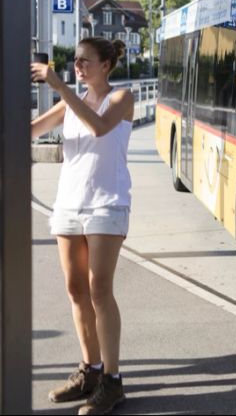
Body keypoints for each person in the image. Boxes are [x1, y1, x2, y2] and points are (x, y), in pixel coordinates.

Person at [31, 38, 133, 415]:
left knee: (99, 290)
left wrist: (59, 86)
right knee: (76, 290)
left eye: (85, 61)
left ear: (106, 65)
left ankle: (112, 380)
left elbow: (100, 128)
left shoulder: (122, 98)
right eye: (75, 61)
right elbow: (30, 131)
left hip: (107, 204)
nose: (78, 67)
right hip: (69, 205)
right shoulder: (67, 104)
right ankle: (89, 370)